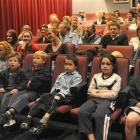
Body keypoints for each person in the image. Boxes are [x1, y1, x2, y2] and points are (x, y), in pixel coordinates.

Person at [20, 54, 82, 135]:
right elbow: (55, 86)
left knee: (57, 96)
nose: (67, 66)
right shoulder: (61, 75)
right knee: (43, 96)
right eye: (66, 64)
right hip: (56, 94)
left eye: (70, 64)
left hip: (68, 97)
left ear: (76, 66)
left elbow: (72, 89)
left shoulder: (77, 76)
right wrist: (51, 94)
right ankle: (28, 117)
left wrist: (60, 93)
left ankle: (43, 122)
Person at [0, 51, 51, 127]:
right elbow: (26, 82)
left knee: (23, 96)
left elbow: (35, 85)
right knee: (13, 94)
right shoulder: (30, 70)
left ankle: (8, 113)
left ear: (43, 61)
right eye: (34, 58)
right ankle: (8, 117)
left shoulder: (45, 72)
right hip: (28, 90)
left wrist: (31, 82)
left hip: (37, 93)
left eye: (38, 58)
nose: (35, 60)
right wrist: (29, 83)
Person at [78, 54, 121, 140]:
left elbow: (113, 95)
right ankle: (91, 137)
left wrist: (98, 92)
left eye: (108, 64)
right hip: (94, 99)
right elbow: (90, 91)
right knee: (82, 111)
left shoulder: (117, 78)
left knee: (100, 116)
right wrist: (106, 91)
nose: (105, 66)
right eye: (103, 63)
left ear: (113, 66)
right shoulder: (96, 76)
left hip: (108, 101)